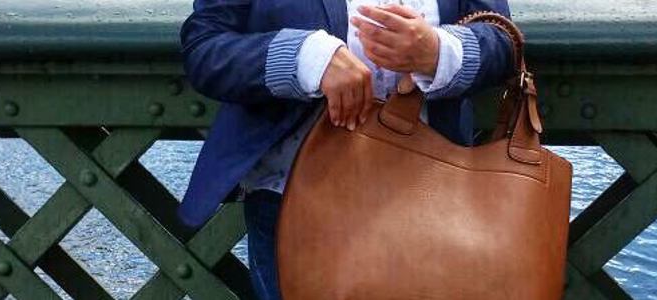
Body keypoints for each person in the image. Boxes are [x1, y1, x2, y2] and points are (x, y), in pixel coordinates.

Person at [179, 0, 516, 298]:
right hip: (295, 206)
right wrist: (304, 56)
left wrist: (441, 52)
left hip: (436, 206)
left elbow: (501, 41)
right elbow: (204, 48)